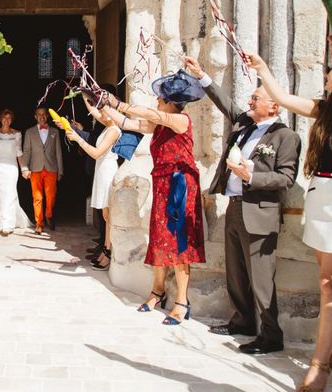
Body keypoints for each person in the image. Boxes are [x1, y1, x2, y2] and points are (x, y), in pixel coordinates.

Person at [184, 56, 301, 354]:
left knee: (262, 279)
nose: (250, 101)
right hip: (235, 207)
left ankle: (271, 336)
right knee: (235, 272)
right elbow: (227, 104)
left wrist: (252, 176)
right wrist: (202, 75)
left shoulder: (286, 137)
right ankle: (242, 320)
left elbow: (286, 178)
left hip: (260, 212)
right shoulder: (246, 124)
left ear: (273, 105)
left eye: (256, 97)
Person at [243, 51, 331, 389]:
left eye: (331, 71)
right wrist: (263, 67)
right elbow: (281, 98)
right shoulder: (324, 110)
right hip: (323, 195)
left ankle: (320, 364)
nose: (326, 75)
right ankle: (321, 363)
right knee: (327, 283)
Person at [102, 70, 206, 325]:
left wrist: (120, 103)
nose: (157, 101)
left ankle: (182, 300)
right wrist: (101, 102)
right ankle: (156, 291)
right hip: (162, 184)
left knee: (179, 243)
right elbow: (129, 123)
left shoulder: (180, 120)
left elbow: (151, 114)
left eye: (160, 98)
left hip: (180, 185)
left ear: (171, 101)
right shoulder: (161, 123)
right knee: (160, 239)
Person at [65, 99, 120, 270]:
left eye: (102, 110)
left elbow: (96, 153)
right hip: (101, 171)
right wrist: (83, 92)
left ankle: (109, 253)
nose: (98, 113)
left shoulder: (113, 130)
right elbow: (93, 110)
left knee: (109, 216)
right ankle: (105, 249)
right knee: (105, 216)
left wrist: (77, 139)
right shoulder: (107, 125)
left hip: (108, 171)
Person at [0, 109, 30, 236]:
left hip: (11, 167)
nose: (7, 120)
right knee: (0, 194)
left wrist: (24, 168)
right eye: (5, 118)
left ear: (12, 120)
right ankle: (0, 222)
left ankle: (8, 224)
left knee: (10, 193)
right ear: (0, 119)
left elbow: (19, 153)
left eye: (9, 118)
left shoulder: (17, 134)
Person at [21, 108, 63, 234]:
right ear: (35, 117)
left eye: (44, 114)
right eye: (39, 114)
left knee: (51, 195)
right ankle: (39, 223)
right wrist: (24, 168)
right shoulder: (29, 132)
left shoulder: (54, 131)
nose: (42, 116)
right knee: (37, 197)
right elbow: (26, 151)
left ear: (47, 116)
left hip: (51, 168)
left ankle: (49, 214)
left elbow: (58, 152)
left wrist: (60, 170)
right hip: (35, 168)